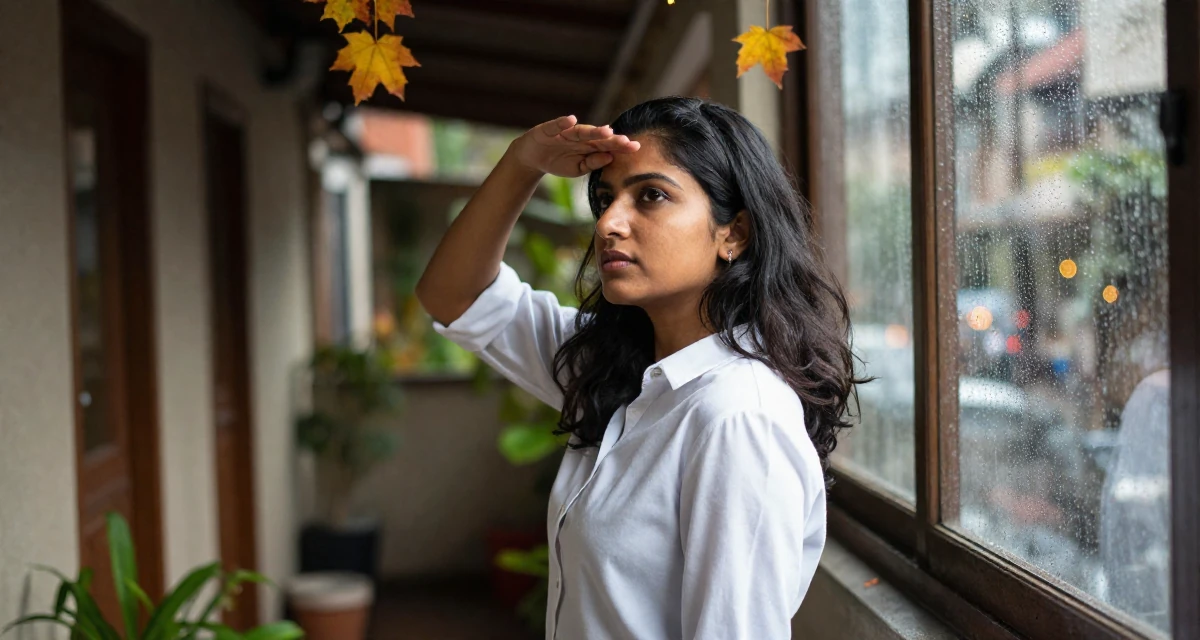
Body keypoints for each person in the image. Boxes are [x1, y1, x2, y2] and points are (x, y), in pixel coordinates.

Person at [416, 97, 864, 639]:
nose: (608, 223)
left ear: (734, 233)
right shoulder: (619, 368)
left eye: (651, 195)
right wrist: (523, 162)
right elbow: (455, 297)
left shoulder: (738, 418)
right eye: (605, 198)